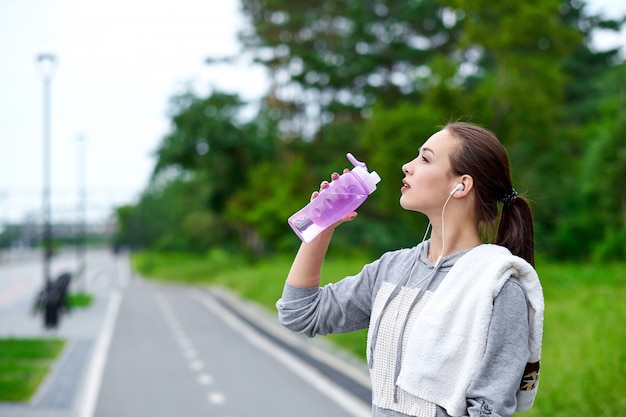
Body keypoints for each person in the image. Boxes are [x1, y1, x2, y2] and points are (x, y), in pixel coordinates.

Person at [277, 121, 544, 417]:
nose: (407, 166)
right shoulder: (393, 269)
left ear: (462, 185)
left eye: (425, 158)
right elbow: (299, 313)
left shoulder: (497, 286)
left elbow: (488, 409)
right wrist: (322, 226)